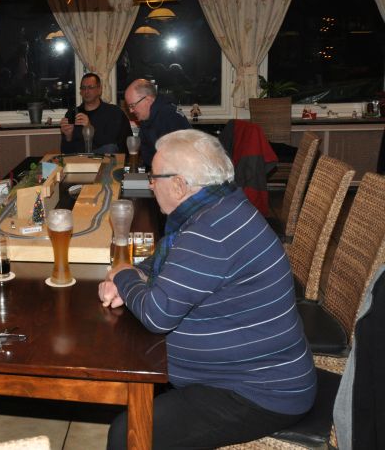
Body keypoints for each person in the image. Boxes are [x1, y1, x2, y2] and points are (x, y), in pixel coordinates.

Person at [98, 129, 316, 449]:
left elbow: (157, 315)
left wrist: (123, 276)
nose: (150, 185)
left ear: (179, 185)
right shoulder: (222, 205)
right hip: (251, 371)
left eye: (154, 177)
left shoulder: (210, 232)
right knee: (142, 378)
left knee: (127, 433)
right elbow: (173, 259)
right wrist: (138, 274)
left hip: (258, 392)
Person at [123, 78, 190, 168]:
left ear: (148, 100)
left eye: (132, 105)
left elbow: (178, 162)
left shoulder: (169, 116)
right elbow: (147, 155)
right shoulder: (147, 117)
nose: (131, 111)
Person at [60, 73, 131, 154]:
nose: (86, 91)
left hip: (106, 159)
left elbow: (114, 147)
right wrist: (68, 137)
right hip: (79, 160)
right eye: (83, 88)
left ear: (99, 90)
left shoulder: (114, 113)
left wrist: (89, 128)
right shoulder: (72, 114)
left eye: (90, 87)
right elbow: (65, 152)